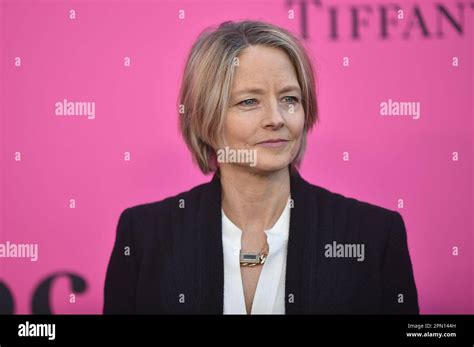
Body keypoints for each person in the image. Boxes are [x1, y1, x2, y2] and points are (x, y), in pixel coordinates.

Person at [103, 20, 419, 314]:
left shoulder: (374, 235)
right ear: (204, 119)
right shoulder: (144, 236)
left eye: (289, 99)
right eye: (249, 102)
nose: (276, 118)